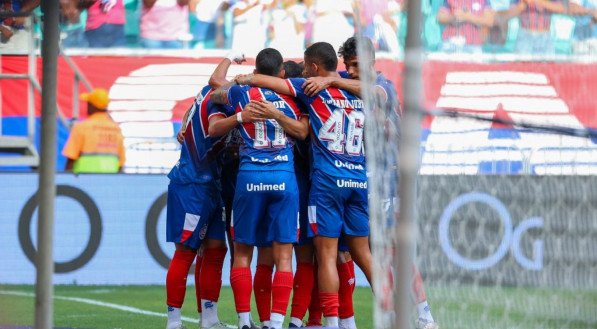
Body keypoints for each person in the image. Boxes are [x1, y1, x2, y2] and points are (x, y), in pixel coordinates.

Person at [235, 42, 371, 328]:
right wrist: (336, 79)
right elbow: (380, 93)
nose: (308, 71)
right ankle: (387, 315)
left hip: (325, 182)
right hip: (358, 179)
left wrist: (246, 78)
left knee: (323, 256)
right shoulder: (362, 89)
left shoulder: (310, 90)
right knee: (358, 255)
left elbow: (273, 83)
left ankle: (328, 322)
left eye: (310, 66)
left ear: (315, 67)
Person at [209, 48, 309, 329]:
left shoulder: (242, 93)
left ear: (256, 71)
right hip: (284, 179)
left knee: (242, 253)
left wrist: (236, 84)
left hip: (249, 178)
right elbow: (303, 132)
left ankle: (243, 321)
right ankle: (276, 323)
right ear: (281, 74)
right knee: (284, 256)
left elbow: (215, 86)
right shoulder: (294, 96)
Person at [166, 54, 244, 329]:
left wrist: (229, 59)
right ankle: (174, 321)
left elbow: (210, 85)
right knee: (186, 251)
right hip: (192, 184)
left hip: (211, 184)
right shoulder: (220, 101)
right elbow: (214, 126)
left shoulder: (207, 91)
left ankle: (208, 319)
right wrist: (241, 116)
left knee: (215, 249)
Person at [62, 88, 126, 174]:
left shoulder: (82, 127)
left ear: (91, 106)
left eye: (88, 103)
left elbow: (71, 159)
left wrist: (67, 180)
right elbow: (121, 164)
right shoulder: (116, 129)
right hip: (110, 181)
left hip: (84, 181)